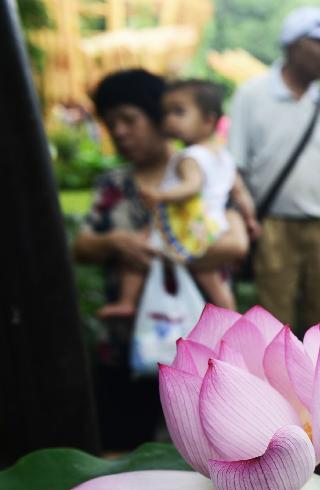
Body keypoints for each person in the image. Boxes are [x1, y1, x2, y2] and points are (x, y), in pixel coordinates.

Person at [76, 69, 249, 451]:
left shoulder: (200, 171)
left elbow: (235, 244)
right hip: (126, 345)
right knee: (120, 447)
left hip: (197, 342)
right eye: (111, 123)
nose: (119, 131)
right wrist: (117, 242)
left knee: (206, 451)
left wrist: (165, 251)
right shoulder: (113, 185)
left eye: (129, 119)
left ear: (159, 118)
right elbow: (82, 246)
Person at [228, 6, 320, 337]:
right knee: (274, 317)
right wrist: (249, 221)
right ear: (294, 46)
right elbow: (235, 165)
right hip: (272, 225)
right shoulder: (251, 95)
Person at [98, 80, 257, 318]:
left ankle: (127, 300)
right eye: (166, 113)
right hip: (216, 226)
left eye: (178, 112)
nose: (169, 120)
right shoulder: (224, 156)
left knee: (144, 243)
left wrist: (160, 195)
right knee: (213, 281)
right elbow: (240, 192)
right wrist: (250, 218)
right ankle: (232, 317)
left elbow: (191, 187)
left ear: (208, 120)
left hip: (191, 224)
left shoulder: (190, 157)